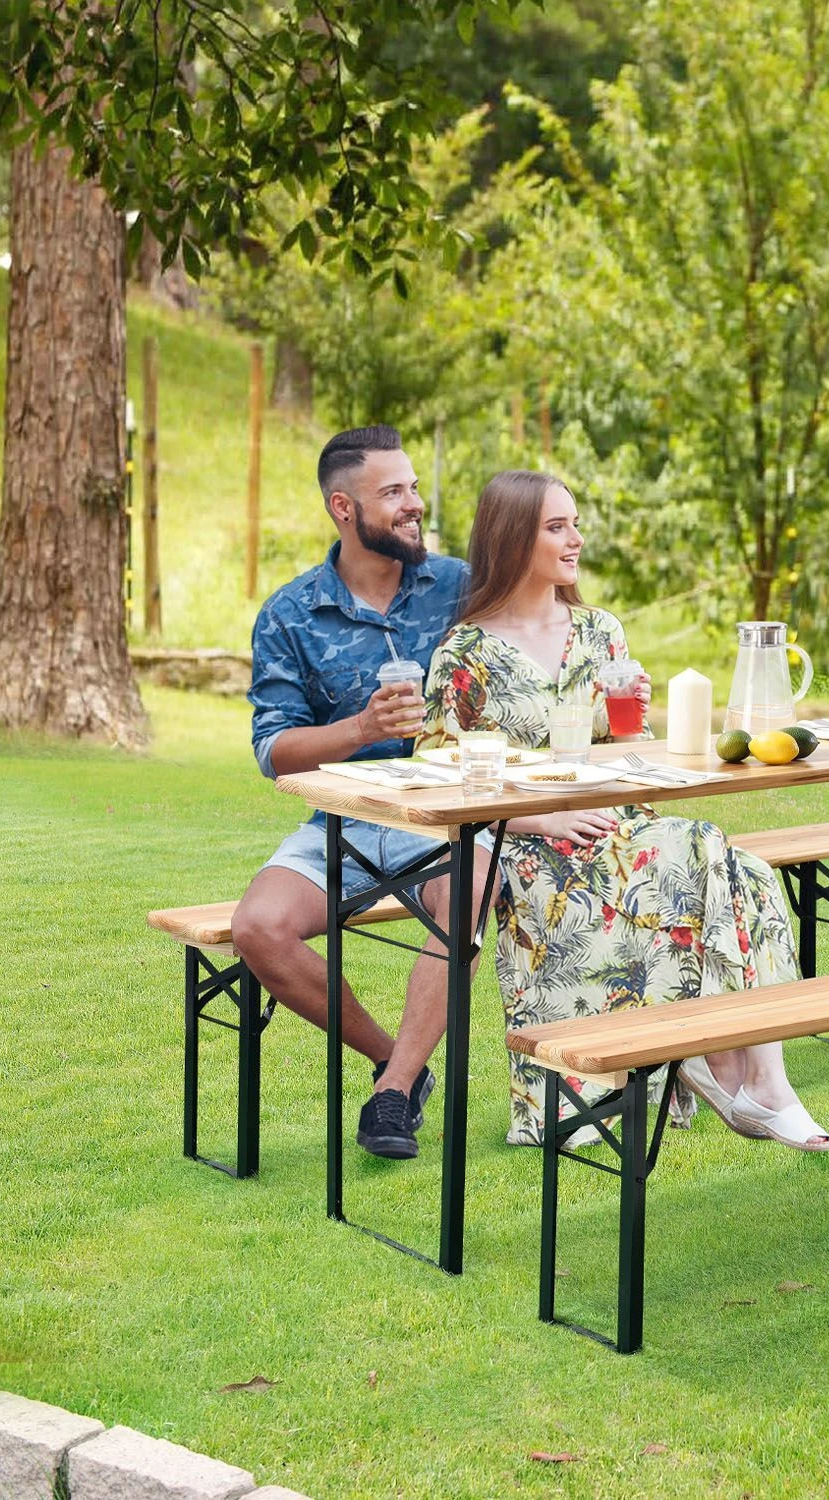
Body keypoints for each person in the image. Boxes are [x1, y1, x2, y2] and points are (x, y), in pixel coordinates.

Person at [417, 469, 829, 1152]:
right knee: (706, 845)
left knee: (749, 872)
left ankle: (761, 1077)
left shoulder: (599, 630)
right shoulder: (466, 652)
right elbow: (437, 770)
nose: (576, 539)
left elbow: (625, 751)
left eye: (575, 524)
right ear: (512, 536)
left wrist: (631, 719)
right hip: (529, 844)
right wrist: (539, 818)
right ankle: (718, 1071)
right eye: (557, 527)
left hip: (616, 824)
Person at [232, 425, 496, 1163]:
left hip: (441, 819)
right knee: (258, 927)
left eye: (413, 487)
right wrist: (360, 728)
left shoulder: (460, 587)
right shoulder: (291, 613)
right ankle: (393, 1062)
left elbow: (543, 637)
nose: (414, 504)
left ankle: (393, 1094)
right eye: (393, 492)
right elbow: (273, 749)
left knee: (473, 887)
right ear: (344, 508)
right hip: (342, 821)